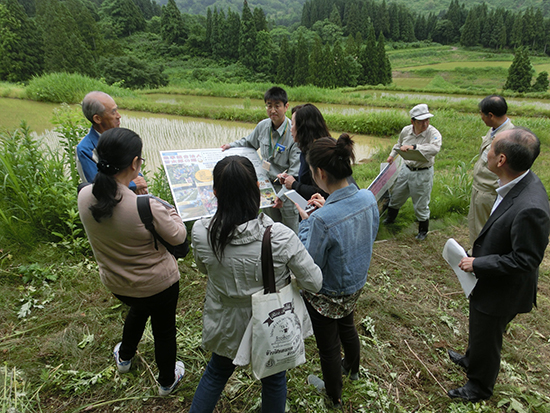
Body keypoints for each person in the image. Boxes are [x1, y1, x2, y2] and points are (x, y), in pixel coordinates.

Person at [189, 155, 323, 413]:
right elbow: (314, 282)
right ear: (257, 190)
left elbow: (203, 268)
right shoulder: (280, 236)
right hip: (272, 322)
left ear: (215, 192)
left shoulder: (201, 232)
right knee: (273, 380)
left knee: (216, 372)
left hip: (225, 321)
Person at [78, 127, 186, 397]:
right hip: (158, 286)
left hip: (118, 284)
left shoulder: (84, 195)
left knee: (138, 309)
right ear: (135, 163)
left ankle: (125, 357)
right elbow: (179, 235)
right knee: (164, 330)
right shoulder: (145, 206)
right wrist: (169, 209)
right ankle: (166, 381)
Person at [448, 127, 550, 402]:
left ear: (501, 160)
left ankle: (479, 387)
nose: (486, 154)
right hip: (493, 280)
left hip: (502, 288)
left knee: (488, 336)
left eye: (490, 149)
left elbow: (526, 259)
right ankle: (471, 359)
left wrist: (479, 263)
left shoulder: (531, 207)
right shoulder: (515, 184)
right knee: (480, 331)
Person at [296, 134, 379, 408]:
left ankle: (334, 396)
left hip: (328, 294)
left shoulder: (321, 221)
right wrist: (327, 206)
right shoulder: (368, 197)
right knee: (348, 326)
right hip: (355, 284)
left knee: (328, 347)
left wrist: (306, 222)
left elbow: (311, 264)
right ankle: (353, 370)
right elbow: (366, 232)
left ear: (320, 172)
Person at [221, 86, 300, 233]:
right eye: (269, 106)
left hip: (287, 190)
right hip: (267, 186)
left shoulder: (293, 132)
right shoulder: (263, 126)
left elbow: (295, 171)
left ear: (286, 106)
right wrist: (230, 146)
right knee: (270, 228)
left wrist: (282, 196)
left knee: (290, 232)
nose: (273, 110)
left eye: (277, 106)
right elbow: (249, 142)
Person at [384, 104, 442, 240]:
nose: (425, 124)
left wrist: (414, 147)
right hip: (406, 168)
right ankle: (390, 220)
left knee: (421, 202)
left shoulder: (433, 133)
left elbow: (435, 149)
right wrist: (392, 155)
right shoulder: (406, 131)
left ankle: (423, 230)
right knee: (397, 195)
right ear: (413, 121)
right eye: (421, 121)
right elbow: (398, 144)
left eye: (427, 120)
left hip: (423, 172)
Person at [76, 91, 148, 194]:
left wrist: (139, 183)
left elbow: (135, 170)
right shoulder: (86, 149)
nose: (119, 116)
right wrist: (133, 185)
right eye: (113, 112)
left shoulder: (121, 138)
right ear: (97, 119)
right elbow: (97, 187)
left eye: (117, 110)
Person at [468, 95, 514, 247]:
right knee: (475, 224)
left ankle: (481, 261)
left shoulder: (508, 138)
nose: (481, 117)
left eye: (482, 113)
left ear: (491, 115)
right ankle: (475, 254)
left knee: (485, 229)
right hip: (480, 188)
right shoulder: (494, 130)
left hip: (490, 191)